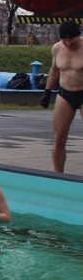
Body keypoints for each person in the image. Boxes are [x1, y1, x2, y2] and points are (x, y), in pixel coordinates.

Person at [41, 20, 83, 173]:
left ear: (79, 36)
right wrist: (46, 92)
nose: (68, 43)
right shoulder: (57, 48)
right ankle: (58, 175)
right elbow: (54, 71)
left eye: (71, 40)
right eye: (64, 40)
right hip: (65, 93)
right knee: (58, 138)